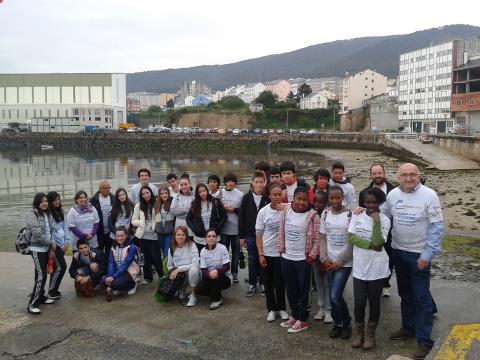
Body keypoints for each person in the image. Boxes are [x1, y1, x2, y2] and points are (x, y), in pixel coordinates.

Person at [385, 163, 444, 360]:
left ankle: (424, 341)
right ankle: (408, 327)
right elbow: (384, 217)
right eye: (404, 175)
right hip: (399, 251)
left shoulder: (429, 195)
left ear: (419, 176)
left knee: (421, 297)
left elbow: (436, 227)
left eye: (412, 175)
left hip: (419, 255)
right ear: (398, 177)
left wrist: (427, 254)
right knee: (405, 293)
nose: (408, 178)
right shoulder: (392, 195)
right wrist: (362, 211)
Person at [348, 187, 391, 350]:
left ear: (379, 202)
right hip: (359, 267)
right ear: (363, 202)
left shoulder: (385, 220)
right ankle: (358, 333)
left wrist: (376, 221)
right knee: (359, 302)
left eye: (374, 202)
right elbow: (351, 237)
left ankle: (371, 335)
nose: (370, 205)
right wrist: (369, 245)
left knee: (374, 303)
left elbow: (379, 244)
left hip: (377, 268)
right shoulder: (357, 215)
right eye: (367, 202)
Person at [319, 185, 353, 339]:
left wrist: (340, 261)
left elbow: (352, 242)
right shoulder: (325, 214)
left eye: (337, 198)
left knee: (335, 295)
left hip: (344, 263)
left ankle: (346, 323)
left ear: (342, 198)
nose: (334, 201)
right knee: (333, 294)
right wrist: (324, 258)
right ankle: (337, 323)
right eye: (331, 198)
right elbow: (322, 238)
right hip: (329, 261)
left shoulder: (350, 215)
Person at [277, 187, 313, 333]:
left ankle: (303, 320)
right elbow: (281, 230)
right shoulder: (286, 211)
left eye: (304, 199)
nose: (301, 202)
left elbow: (316, 240)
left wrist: (311, 256)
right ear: (293, 198)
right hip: (287, 257)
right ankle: (295, 315)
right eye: (299, 199)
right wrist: (281, 249)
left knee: (303, 290)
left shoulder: (312, 216)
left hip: (303, 259)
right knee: (290, 289)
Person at [358, 163, 395, 297]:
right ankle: (371, 282)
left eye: (380, 173)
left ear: (384, 174)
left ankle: (385, 283)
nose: (377, 176)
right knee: (372, 256)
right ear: (370, 175)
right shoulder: (364, 193)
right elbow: (361, 211)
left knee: (389, 258)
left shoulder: (394, 191)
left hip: (390, 231)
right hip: (370, 231)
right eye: (374, 173)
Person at [256, 184, 289, 322]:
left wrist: (286, 208)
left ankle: (282, 308)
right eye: (274, 195)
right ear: (269, 196)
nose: (277, 197)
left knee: (280, 282)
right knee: (268, 282)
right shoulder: (263, 212)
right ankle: (271, 309)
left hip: (282, 253)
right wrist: (260, 254)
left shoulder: (287, 209)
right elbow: (258, 234)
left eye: (279, 194)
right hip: (267, 252)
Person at [239, 171, 269, 297]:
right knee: (252, 259)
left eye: (261, 182)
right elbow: (242, 217)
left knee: (263, 259)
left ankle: (263, 284)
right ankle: (252, 284)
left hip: (265, 236)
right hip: (250, 235)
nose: (259, 184)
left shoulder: (268, 197)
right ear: (252, 183)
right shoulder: (246, 197)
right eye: (256, 182)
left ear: (265, 183)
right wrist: (241, 237)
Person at [25, 193, 57, 314]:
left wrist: (51, 245)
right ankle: (32, 305)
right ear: (37, 203)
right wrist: (51, 243)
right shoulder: (31, 215)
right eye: (41, 201)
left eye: (46, 201)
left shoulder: (48, 214)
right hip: (37, 250)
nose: (44, 203)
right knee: (41, 276)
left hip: (46, 249)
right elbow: (37, 235)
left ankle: (41, 297)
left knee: (41, 274)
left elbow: (53, 230)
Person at [131, 185, 163, 284]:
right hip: (143, 235)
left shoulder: (157, 204)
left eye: (147, 193)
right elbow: (133, 221)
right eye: (143, 194)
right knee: (146, 258)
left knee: (157, 258)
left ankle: (162, 276)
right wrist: (141, 223)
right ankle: (148, 277)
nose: (145, 195)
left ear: (151, 193)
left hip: (155, 236)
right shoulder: (138, 206)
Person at [310, 191, 333, 323]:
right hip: (315, 255)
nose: (317, 204)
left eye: (321, 202)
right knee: (318, 281)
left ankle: (329, 309)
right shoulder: (311, 215)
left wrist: (324, 257)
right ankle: (321, 307)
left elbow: (325, 238)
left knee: (327, 283)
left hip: (327, 255)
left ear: (326, 203)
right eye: (315, 201)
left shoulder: (327, 216)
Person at [197, 229, 232, 310]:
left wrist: (217, 271)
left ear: (216, 238)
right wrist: (209, 275)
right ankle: (216, 294)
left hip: (224, 277)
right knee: (198, 289)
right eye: (209, 236)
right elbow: (203, 269)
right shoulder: (203, 251)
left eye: (213, 236)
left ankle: (217, 300)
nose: (211, 238)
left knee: (217, 276)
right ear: (206, 238)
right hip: (210, 277)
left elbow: (227, 266)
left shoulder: (222, 248)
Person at [186, 183, 227, 254]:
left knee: (215, 260)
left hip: (214, 237)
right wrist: (195, 229)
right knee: (201, 260)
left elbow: (224, 216)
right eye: (200, 192)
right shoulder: (194, 204)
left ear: (207, 191)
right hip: (200, 239)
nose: (203, 193)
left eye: (204, 191)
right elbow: (188, 219)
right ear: (197, 194)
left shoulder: (215, 201)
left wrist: (217, 229)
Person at [102, 227, 140, 301]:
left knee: (116, 284)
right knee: (104, 281)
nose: (120, 238)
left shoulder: (131, 247)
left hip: (129, 271)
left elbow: (126, 264)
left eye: (122, 236)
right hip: (118, 270)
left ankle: (132, 284)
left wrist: (114, 276)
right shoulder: (113, 246)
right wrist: (110, 276)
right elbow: (111, 262)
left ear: (126, 235)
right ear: (115, 237)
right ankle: (118, 287)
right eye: (118, 236)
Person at [167, 226, 201, 307]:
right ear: (174, 236)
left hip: (192, 275)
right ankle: (181, 288)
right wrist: (173, 272)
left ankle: (193, 295)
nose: (180, 237)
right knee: (181, 296)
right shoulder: (171, 249)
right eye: (178, 235)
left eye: (183, 234)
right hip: (180, 276)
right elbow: (169, 265)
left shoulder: (192, 245)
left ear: (186, 236)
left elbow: (196, 264)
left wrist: (179, 269)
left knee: (194, 270)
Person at [219, 173, 243, 283]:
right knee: (224, 252)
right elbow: (216, 209)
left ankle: (234, 273)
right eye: (228, 181)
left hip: (236, 229)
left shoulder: (240, 194)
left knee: (236, 252)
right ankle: (225, 272)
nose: (230, 183)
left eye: (232, 181)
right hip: (224, 229)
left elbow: (243, 212)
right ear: (225, 182)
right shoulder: (220, 193)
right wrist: (223, 207)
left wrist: (234, 210)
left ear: (235, 182)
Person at [46, 191, 69, 300]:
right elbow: (51, 232)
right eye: (55, 200)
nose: (57, 201)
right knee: (61, 267)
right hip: (55, 246)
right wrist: (55, 245)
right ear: (50, 202)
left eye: (58, 199)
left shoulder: (61, 212)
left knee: (57, 267)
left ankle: (53, 289)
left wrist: (66, 242)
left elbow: (65, 227)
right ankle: (52, 291)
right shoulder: (48, 215)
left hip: (62, 244)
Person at [90, 180, 115, 264]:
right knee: (98, 253)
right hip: (99, 232)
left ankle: (108, 270)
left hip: (110, 232)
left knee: (110, 253)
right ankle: (99, 270)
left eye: (109, 188)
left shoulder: (113, 198)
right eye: (106, 188)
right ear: (100, 189)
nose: (108, 189)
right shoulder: (94, 200)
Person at [154, 185, 175, 260]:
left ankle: (168, 270)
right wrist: (155, 228)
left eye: (166, 193)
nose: (164, 195)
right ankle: (166, 269)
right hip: (160, 232)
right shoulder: (157, 204)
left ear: (168, 194)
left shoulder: (173, 202)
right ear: (159, 195)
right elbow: (154, 218)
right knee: (163, 252)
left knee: (167, 253)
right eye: (162, 193)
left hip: (169, 232)